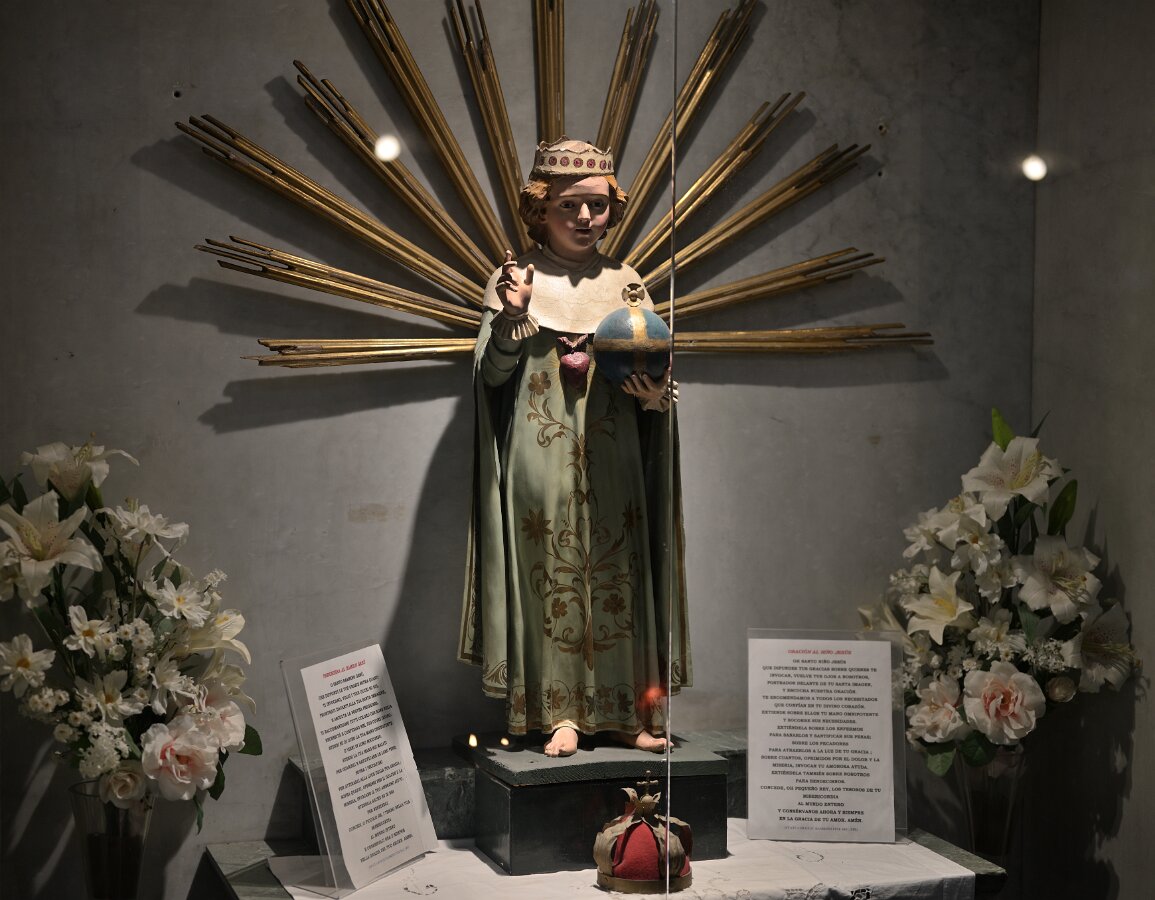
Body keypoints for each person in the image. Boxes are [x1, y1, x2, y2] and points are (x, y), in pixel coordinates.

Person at [458, 138, 691, 757]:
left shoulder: (627, 283)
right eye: (569, 206)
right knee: (549, 572)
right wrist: (513, 318)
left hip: (615, 458)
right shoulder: (515, 281)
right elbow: (491, 378)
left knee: (620, 571)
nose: (586, 218)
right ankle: (555, 712)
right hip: (539, 455)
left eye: (598, 205)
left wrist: (655, 397)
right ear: (540, 210)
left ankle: (624, 714)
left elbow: (656, 382)